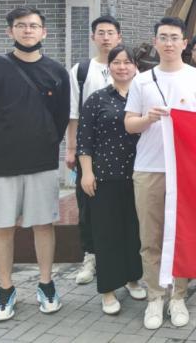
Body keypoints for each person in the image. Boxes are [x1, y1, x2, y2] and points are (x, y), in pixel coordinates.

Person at [0, 6, 70, 321]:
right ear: (9, 31)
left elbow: (61, 118)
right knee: (2, 227)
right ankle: (5, 289)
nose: (28, 30)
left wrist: (44, 143)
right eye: (21, 25)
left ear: (44, 32)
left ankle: (46, 284)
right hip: (1, 164)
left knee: (43, 225)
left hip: (42, 162)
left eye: (34, 26)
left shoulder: (57, 71)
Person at [125, 17, 196, 330]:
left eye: (174, 37)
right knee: (150, 237)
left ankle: (178, 295)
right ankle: (155, 296)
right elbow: (129, 124)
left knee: (182, 236)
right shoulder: (141, 81)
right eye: (163, 37)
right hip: (149, 168)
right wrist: (148, 119)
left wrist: (189, 124)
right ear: (155, 42)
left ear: (184, 43)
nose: (168, 43)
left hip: (186, 171)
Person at [77, 45, 146, 315]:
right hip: (105, 176)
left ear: (136, 67)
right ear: (109, 67)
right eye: (117, 62)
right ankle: (107, 290)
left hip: (138, 175)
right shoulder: (97, 99)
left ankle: (132, 279)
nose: (122, 67)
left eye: (128, 62)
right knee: (107, 233)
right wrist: (87, 172)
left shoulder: (144, 97)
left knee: (133, 231)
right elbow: (85, 140)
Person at [66, 15, 123, 286]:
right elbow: (73, 113)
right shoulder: (82, 70)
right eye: (101, 33)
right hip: (89, 151)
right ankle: (90, 256)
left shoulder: (129, 69)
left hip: (122, 152)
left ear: (119, 37)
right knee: (87, 204)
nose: (106, 37)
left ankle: (122, 259)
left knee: (120, 207)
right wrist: (71, 149)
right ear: (93, 37)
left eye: (110, 32)